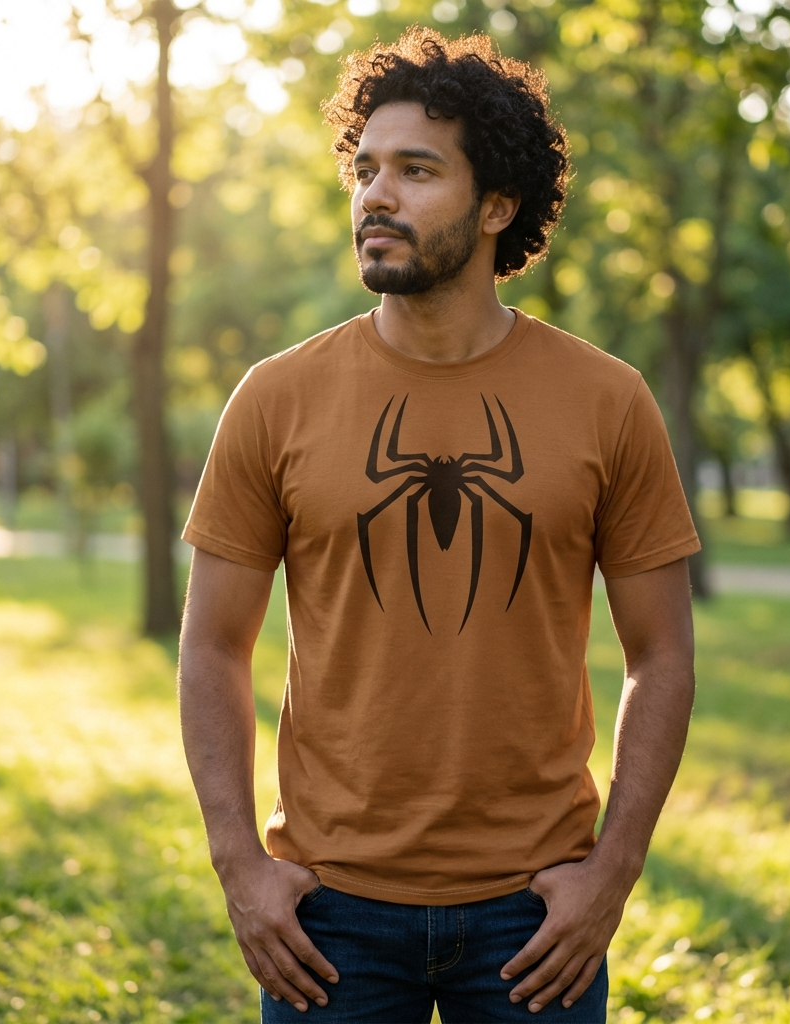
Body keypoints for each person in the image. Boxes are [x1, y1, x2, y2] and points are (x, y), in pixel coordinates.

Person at [178, 28, 699, 1024]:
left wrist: (613, 872)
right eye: (364, 169)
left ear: (497, 204)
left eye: (416, 171)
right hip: (327, 912)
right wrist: (239, 863)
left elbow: (662, 654)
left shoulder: (608, 400)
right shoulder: (276, 398)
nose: (376, 196)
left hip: (533, 913)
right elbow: (210, 646)